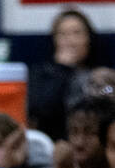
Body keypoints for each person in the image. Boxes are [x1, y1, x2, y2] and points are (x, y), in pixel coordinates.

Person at [27, 8, 101, 141]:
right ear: (54, 40)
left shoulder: (99, 74)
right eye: (63, 34)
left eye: (77, 33)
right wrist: (63, 69)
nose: (71, 41)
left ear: (88, 38)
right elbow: (40, 111)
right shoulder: (41, 74)